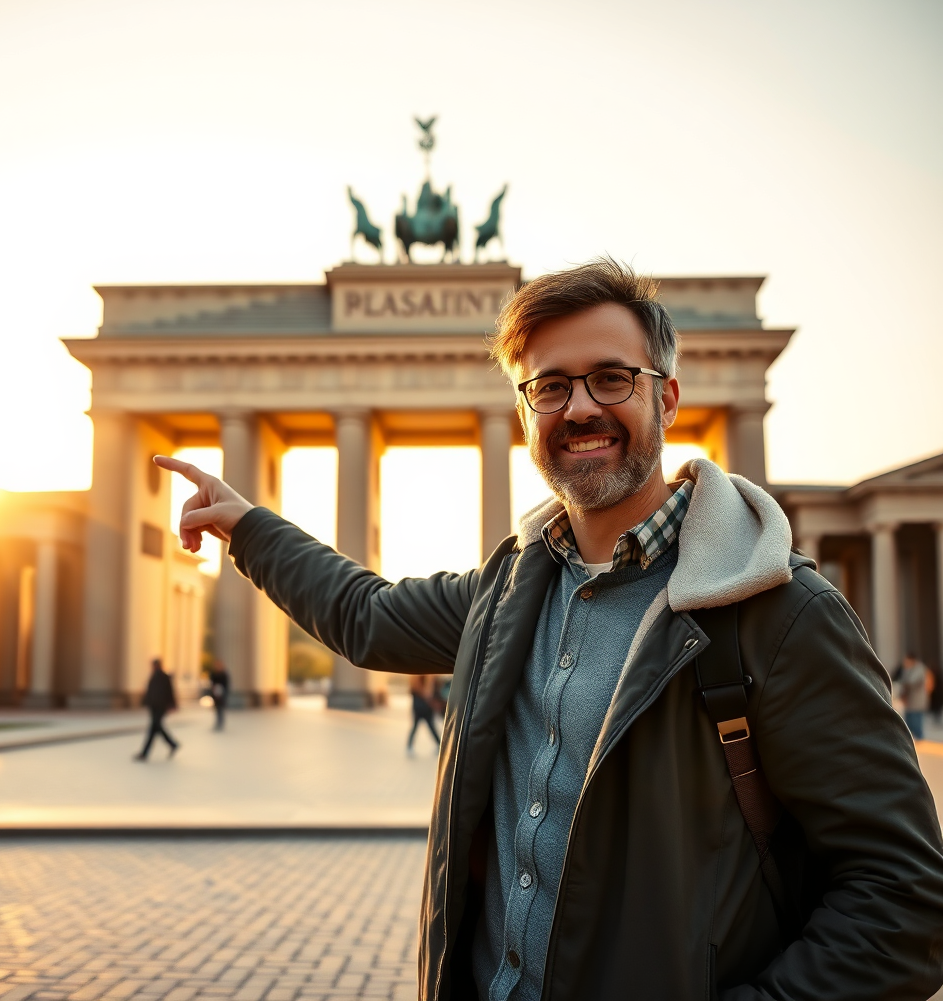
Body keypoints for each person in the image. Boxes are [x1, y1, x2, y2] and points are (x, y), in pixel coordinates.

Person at [154, 258, 943, 1000]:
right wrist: (249, 527)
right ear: (528, 411)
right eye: (552, 387)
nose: (582, 408)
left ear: (665, 398)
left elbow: (904, 897)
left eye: (611, 378)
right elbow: (366, 616)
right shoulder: (506, 591)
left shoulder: (778, 610)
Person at [134, 657, 178, 761]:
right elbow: (150, 691)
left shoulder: (164, 677)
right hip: (154, 706)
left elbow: (170, 691)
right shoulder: (153, 676)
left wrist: (172, 704)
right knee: (156, 728)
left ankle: (144, 754)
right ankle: (172, 744)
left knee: (154, 728)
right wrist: (145, 701)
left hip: (160, 706)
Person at [898, 653, 934, 740]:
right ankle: (912, 737)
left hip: (917, 700)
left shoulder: (919, 668)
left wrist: (904, 682)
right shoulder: (908, 669)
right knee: (910, 720)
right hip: (910, 701)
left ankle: (919, 738)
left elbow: (911, 681)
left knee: (916, 720)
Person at [408, 673, 441, 754]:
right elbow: (425, 693)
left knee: (429, 726)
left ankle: (439, 744)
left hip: (425, 707)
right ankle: (409, 746)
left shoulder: (429, 677)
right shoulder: (417, 678)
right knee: (417, 726)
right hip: (420, 706)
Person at [208, 659, 229, 731]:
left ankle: (221, 723)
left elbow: (226, 685)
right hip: (215, 694)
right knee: (217, 709)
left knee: (221, 709)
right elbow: (211, 683)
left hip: (222, 694)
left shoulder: (223, 674)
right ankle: (217, 723)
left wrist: (223, 693)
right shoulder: (213, 674)